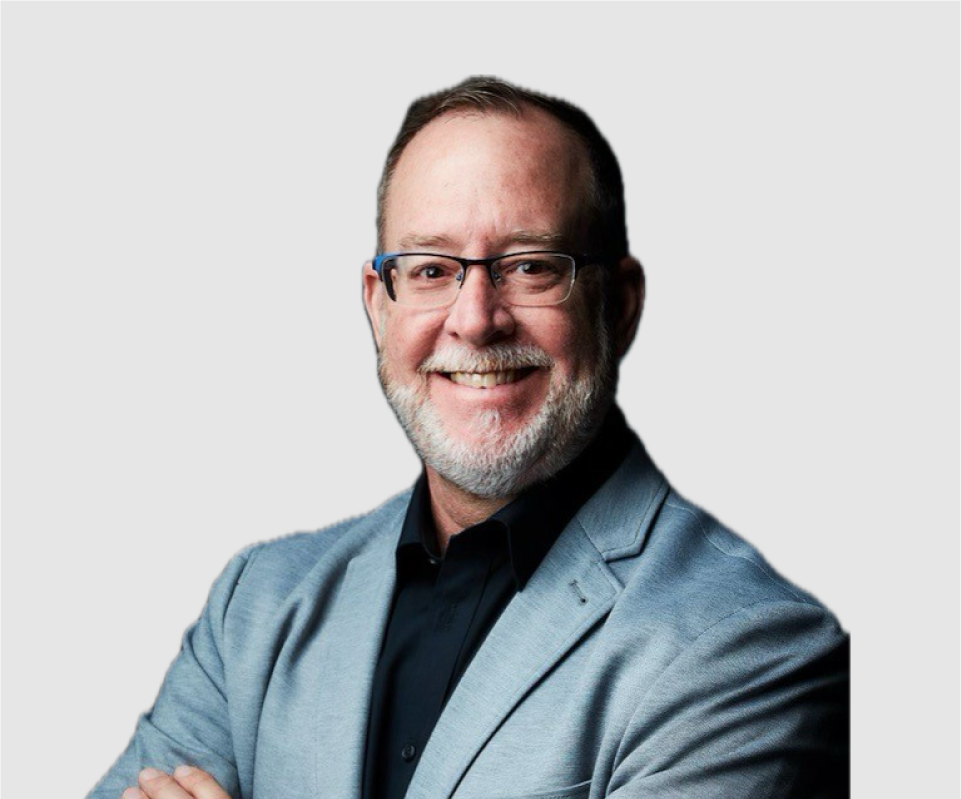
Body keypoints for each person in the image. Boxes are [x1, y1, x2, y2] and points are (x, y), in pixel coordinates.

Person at [89, 77, 849, 799]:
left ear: (617, 305)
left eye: (529, 266)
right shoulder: (255, 606)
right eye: (429, 269)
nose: (475, 317)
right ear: (377, 304)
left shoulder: (747, 650)